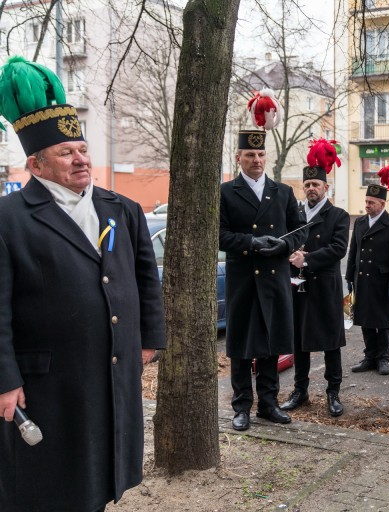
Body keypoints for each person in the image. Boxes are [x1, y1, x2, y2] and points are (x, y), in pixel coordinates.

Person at [0, 57, 165, 511]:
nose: (81, 159)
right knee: (48, 479)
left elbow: (145, 279)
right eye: (66, 153)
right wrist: (5, 380)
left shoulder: (121, 208)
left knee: (101, 469)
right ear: (35, 164)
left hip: (111, 368)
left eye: (82, 149)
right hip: (47, 379)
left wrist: (148, 339)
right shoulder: (8, 219)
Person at [220, 97, 306, 430]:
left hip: (274, 278)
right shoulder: (227, 192)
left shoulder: (282, 192)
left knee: (271, 344)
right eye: (249, 155)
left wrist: (284, 245)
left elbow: (299, 232)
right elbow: (220, 235)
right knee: (241, 345)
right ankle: (241, 405)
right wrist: (251, 243)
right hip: (244, 278)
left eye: (260, 155)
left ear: (265, 157)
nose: (256, 160)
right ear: (238, 157)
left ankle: (268, 403)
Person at [280, 140, 349, 417]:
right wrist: (290, 254)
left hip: (326, 286)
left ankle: (333, 392)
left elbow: (338, 248)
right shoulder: (295, 215)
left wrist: (306, 259)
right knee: (299, 341)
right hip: (298, 287)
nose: (311, 189)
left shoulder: (339, 216)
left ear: (325, 188)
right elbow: (285, 242)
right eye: (307, 185)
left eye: (316, 185)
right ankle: (300, 390)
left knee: (331, 342)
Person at [346, 165, 389, 376]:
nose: (367, 205)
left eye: (371, 203)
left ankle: (383, 358)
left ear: (382, 203)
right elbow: (353, 251)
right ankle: (369, 356)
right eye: (366, 202)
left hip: (382, 281)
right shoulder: (360, 222)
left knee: (383, 322)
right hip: (361, 280)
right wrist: (349, 277)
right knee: (365, 320)